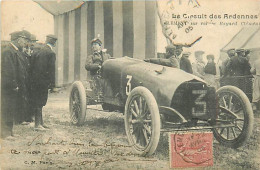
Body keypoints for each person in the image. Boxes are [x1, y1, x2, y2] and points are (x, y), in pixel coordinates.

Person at [1, 30, 31, 139]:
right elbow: (8, 71)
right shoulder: (8, 51)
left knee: (11, 108)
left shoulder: (14, 51)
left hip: (13, 86)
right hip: (8, 86)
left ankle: (10, 131)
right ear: (18, 39)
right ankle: (5, 133)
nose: (24, 43)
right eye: (23, 40)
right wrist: (13, 84)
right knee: (6, 108)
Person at [30, 34, 58, 131]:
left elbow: (31, 65)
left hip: (34, 80)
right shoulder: (50, 53)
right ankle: (37, 125)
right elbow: (51, 70)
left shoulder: (38, 50)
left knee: (38, 101)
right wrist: (53, 84)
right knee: (40, 102)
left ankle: (40, 123)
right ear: (54, 42)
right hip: (43, 81)